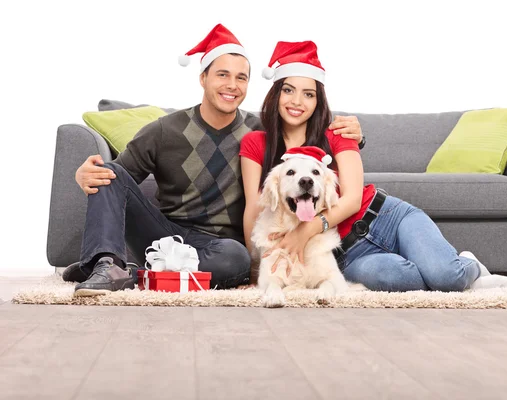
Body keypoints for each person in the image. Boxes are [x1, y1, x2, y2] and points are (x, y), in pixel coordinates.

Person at [65, 25, 364, 296]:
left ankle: (131, 269)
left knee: (236, 261)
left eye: (241, 77)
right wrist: (87, 174)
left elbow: (304, 139)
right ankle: (107, 263)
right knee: (107, 173)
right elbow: (119, 179)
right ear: (203, 77)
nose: (232, 85)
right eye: (222, 74)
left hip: (219, 247)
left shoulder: (260, 133)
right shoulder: (163, 130)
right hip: (163, 232)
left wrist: (355, 136)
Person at [239, 40, 507, 292]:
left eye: (308, 94)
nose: (297, 101)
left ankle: (467, 266)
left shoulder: (338, 131)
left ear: (318, 101)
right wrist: (255, 273)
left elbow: (352, 199)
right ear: (275, 94)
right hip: (349, 252)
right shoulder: (256, 143)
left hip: (387, 216)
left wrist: (305, 230)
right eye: (288, 90)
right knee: (391, 280)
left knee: (447, 277)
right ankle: (438, 265)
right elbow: (254, 206)